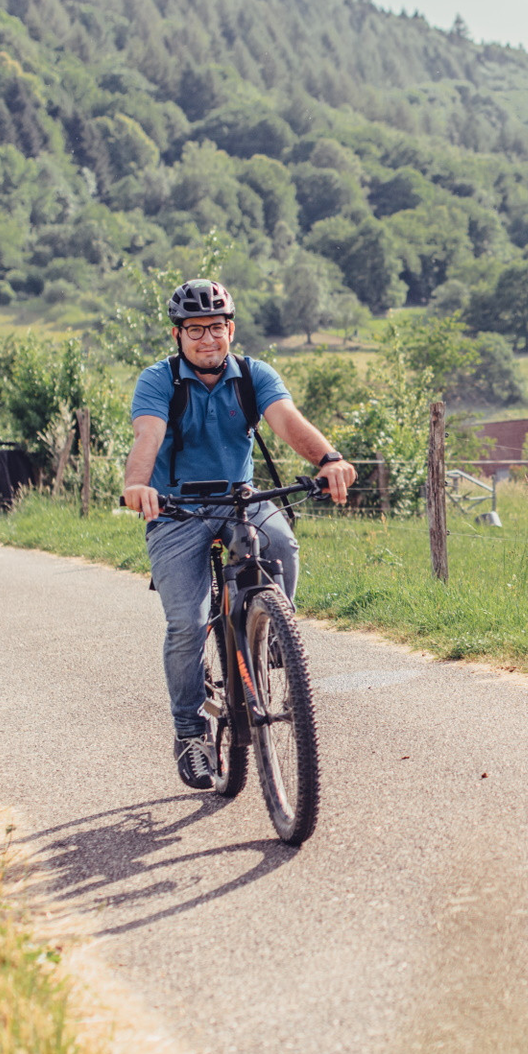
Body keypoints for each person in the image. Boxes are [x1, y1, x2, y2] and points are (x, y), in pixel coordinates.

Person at [122, 279, 355, 789]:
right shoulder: (159, 380)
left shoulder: (253, 375)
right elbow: (148, 435)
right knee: (187, 623)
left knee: (282, 543)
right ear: (178, 335)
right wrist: (138, 484)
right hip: (176, 509)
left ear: (231, 329)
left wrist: (328, 458)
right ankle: (190, 733)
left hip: (240, 499)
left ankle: (271, 634)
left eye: (216, 327)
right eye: (195, 329)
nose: (207, 338)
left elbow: (286, 420)